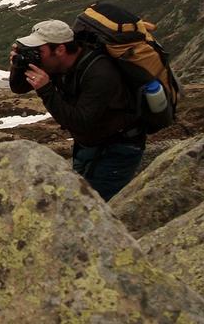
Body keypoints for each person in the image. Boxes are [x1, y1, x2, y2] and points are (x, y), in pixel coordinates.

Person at [8, 19, 144, 200]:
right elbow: (18, 88)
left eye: (38, 51)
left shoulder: (100, 72)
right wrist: (19, 64)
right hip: (88, 144)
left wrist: (46, 89)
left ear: (60, 49)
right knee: (78, 202)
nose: (36, 56)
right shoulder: (55, 62)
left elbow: (80, 122)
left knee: (95, 207)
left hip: (118, 148)